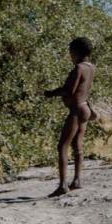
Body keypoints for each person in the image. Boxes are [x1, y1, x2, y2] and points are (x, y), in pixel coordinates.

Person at [44, 37, 95, 197]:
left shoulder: (78, 68)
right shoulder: (91, 67)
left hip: (76, 109)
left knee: (62, 146)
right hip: (85, 108)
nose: (70, 55)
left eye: (70, 51)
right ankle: (77, 180)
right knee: (78, 146)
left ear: (77, 52)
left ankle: (63, 185)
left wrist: (50, 93)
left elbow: (69, 90)